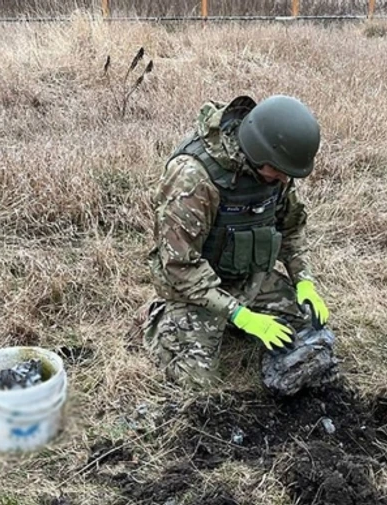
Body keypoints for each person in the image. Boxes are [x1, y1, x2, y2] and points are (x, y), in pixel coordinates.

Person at [132, 94, 332, 389]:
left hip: (248, 279)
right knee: (197, 381)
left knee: (310, 328)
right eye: (278, 172)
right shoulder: (193, 178)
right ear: (258, 152)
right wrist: (241, 316)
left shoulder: (275, 173)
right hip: (196, 289)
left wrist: (304, 282)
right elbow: (179, 266)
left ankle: (237, 318)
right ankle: (161, 320)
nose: (282, 180)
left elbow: (291, 228)